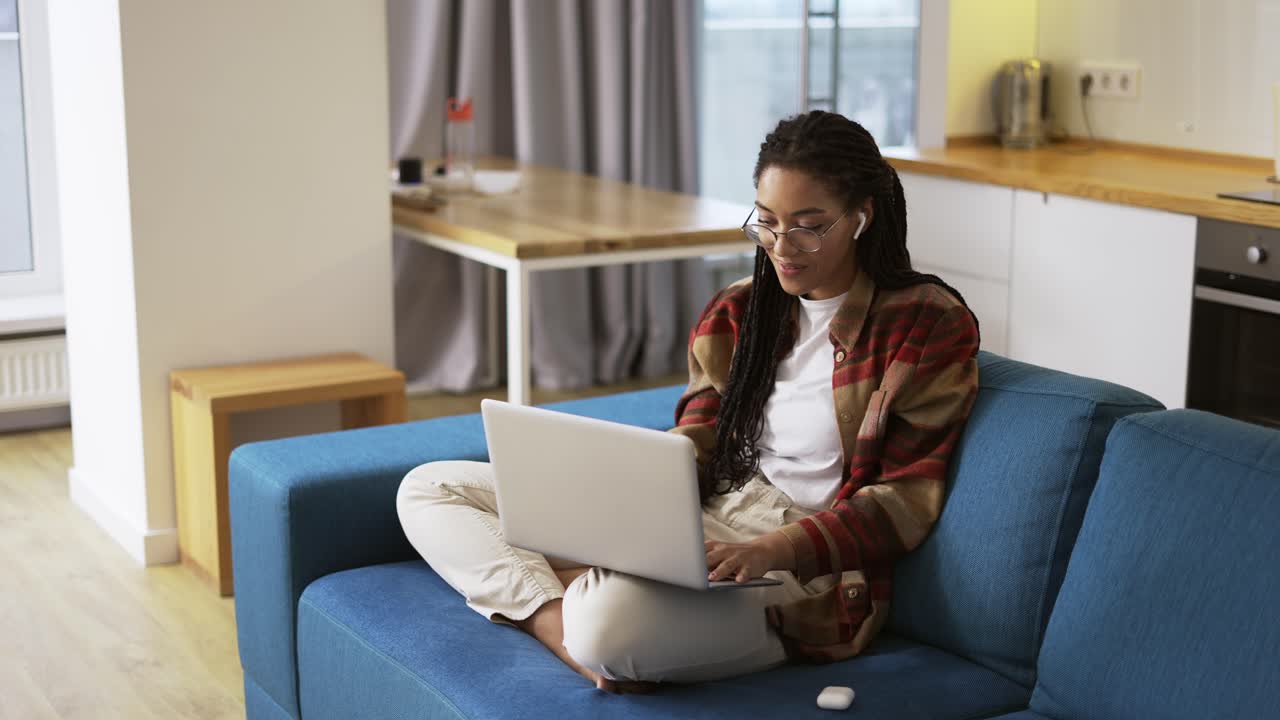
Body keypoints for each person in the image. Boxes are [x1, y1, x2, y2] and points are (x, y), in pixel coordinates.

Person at [396, 110, 981, 694]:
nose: (783, 247)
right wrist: (633, 502)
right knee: (429, 489)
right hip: (707, 517)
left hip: (803, 569)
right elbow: (698, 441)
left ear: (861, 217)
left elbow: (903, 502)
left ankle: (589, 607)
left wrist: (771, 549)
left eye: (808, 227)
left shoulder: (925, 324)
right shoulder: (739, 311)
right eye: (768, 223)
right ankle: (557, 620)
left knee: (608, 627)